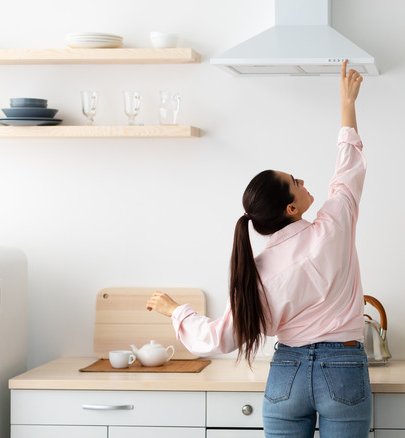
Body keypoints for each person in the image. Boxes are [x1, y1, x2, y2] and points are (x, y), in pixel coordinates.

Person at [145, 60, 370, 437]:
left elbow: (219, 337)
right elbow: (347, 175)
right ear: (291, 208)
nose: (301, 179)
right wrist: (348, 107)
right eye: (294, 181)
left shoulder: (259, 269)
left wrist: (175, 311)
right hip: (343, 367)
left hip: (287, 374)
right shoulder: (334, 227)